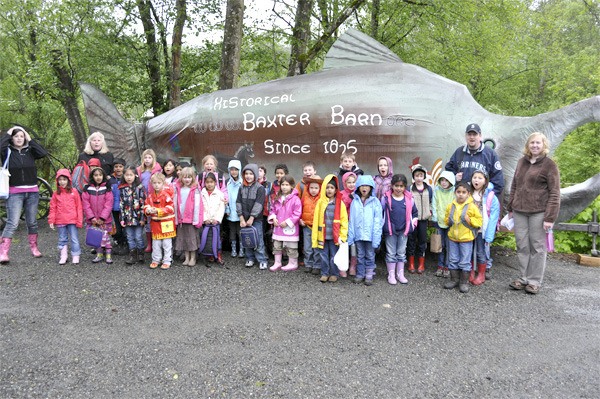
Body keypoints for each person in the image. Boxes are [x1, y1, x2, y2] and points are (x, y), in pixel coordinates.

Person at [507, 132, 560, 295]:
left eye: (538, 143)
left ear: (544, 145)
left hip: (539, 212)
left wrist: (549, 217)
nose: (535, 146)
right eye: (532, 143)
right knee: (522, 245)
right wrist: (510, 207)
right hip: (519, 211)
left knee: (537, 247)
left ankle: (534, 281)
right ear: (527, 145)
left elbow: (555, 193)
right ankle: (523, 278)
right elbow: (514, 185)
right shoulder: (521, 162)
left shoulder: (549, 165)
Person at [0, 126, 49, 263]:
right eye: (16, 136)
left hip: (32, 192)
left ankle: (34, 248)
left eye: (21, 136)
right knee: (12, 223)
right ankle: (3, 252)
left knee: (32, 222)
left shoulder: (30, 151)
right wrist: (8, 133)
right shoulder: (7, 151)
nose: (19, 138)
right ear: (12, 138)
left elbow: (43, 153)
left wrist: (29, 138)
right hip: (15, 192)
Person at [445, 123, 504, 196]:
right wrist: (454, 177)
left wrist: (488, 197)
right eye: (469, 134)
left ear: (480, 135)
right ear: (465, 136)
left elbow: (498, 181)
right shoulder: (459, 152)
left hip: (480, 199)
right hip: (461, 197)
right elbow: (448, 171)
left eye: (474, 134)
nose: (472, 137)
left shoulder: (490, 154)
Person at [443, 181, 482, 293]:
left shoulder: (472, 207)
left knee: (465, 261)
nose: (461, 194)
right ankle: (454, 279)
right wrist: (447, 221)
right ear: (455, 193)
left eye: (463, 192)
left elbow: (479, 221)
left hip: (466, 239)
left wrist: (471, 221)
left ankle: (464, 282)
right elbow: (446, 218)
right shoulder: (451, 206)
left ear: (468, 194)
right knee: (453, 259)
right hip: (453, 238)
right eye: (458, 192)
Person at [382, 174, 418, 285]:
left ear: (405, 187)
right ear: (392, 186)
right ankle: (391, 274)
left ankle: (400, 274)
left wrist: (413, 224)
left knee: (401, 253)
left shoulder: (409, 199)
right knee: (391, 253)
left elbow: (415, 213)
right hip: (390, 230)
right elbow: (380, 212)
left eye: (401, 186)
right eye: (396, 186)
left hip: (404, 230)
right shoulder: (386, 198)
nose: (399, 188)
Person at [312, 174, 348, 283]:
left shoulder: (340, 204)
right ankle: (324, 273)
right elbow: (316, 220)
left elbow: (344, 221)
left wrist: (342, 235)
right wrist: (315, 237)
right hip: (323, 235)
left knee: (334, 256)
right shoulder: (320, 203)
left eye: (332, 188)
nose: (329, 190)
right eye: (327, 187)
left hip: (334, 237)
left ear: (336, 189)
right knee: (323, 255)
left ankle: (334, 273)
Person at [348, 175, 383, 286]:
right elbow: (352, 219)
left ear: (371, 188)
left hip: (370, 235)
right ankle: (360, 274)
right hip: (358, 235)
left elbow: (378, 221)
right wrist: (351, 235)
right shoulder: (355, 201)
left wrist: (376, 237)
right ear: (358, 187)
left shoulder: (375, 202)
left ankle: (369, 274)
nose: (364, 188)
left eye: (367, 186)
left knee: (370, 255)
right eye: (362, 185)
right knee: (360, 255)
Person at [470, 170, 500, 285]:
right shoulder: (468, 192)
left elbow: (493, 216)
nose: (476, 180)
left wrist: (489, 234)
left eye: (480, 178)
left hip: (482, 229)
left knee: (480, 252)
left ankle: (481, 274)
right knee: (469, 251)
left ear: (485, 181)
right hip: (469, 228)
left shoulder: (490, 196)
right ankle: (471, 271)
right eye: (475, 177)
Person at [236, 164, 269, 269]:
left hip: (256, 219)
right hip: (244, 219)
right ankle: (249, 258)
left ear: (255, 175)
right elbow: (238, 202)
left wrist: (252, 218)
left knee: (258, 238)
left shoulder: (260, 188)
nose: (248, 176)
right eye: (246, 173)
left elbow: (259, 204)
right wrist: (241, 217)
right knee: (247, 239)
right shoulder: (242, 187)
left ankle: (262, 259)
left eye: (251, 174)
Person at [48, 169, 83, 265]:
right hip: (60, 220)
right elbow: (53, 208)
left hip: (72, 220)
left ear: (68, 180)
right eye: (60, 180)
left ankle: (76, 255)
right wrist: (51, 220)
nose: (62, 182)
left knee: (74, 238)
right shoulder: (56, 194)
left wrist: (79, 220)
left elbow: (79, 207)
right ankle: (63, 255)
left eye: (64, 179)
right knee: (62, 238)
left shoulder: (74, 191)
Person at [268, 175, 302, 272]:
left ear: (292, 186)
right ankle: (277, 262)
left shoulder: (295, 199)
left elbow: (297, 213)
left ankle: (292, 263)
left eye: (287, 184)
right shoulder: (277, 198)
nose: (284, 187)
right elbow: (272, 210)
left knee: (291, 246)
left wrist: (288, 222)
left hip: (290, 227)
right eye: (282, 184)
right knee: (277, 245)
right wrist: (273, 218)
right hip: (278, 226)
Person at [82, 164, 114, 264]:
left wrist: (102, 218)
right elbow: (86, 205)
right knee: (96, 238)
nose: (98, 177)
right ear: (92, 177)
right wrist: (92, 217)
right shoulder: (87, 189)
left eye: (100, 175)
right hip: (93, 220)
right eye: (95, 175)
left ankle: (108, 254)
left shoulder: (107, 189)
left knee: (106, 237)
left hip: (104, 220)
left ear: (103, 176)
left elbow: (108, 205)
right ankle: (99, 254)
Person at [143, 172, 176, 269]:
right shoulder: (150, 196)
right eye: (154, 183)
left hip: (166, 223)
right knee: (156, 243)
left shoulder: (166, 195)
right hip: (155, 224)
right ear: (151, 184)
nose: (156, 185)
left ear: (163, 183)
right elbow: (146, 205)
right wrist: (148, 210)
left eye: (159, 183)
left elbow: (170, 208)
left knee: (166, 243)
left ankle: (167, 260)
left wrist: (158, 210)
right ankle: (156, 260)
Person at [407, 163, 433, 274]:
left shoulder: (429, 189)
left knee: (422, 240)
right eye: (416, 175)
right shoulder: (410, 188)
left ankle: (421, 263)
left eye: (421, 175)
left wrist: (430, 212)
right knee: (411, 240)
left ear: (424, 177)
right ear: (413, 177)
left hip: (424, 219)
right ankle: (411, 263)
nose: (419, 178)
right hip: (413, 219)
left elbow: (431, 201)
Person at [119, 166, 147, 264]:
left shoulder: (140, 188)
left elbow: (144, 204)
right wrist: (121, 218)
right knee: (130, 237)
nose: (129, 177)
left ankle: (141, 253)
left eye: (131, 175)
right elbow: (121, 204)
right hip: (127, 218)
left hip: (138, 218)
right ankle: (132, 254)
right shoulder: (122, 188)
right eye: (127, 175)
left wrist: (143, 218)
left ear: (135, 175)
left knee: (138, 236)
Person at [431, 171, 456, 278]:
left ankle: (447, 266)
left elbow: (456, 205)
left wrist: (453, 219)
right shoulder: (437, 190)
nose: (444, 182)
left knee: (449, 245)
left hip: (450, 222)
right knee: (440, 245)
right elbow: (434, 203)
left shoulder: (454, 191)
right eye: (442, 180)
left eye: (446, 180)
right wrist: (435, 218)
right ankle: (440, 266)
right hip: (439, 221)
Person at [137, 149, 162, 253]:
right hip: (142, 197)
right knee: (146, 220)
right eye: (145, 158)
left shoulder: (157, 170)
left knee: (155, 219)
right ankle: (149, 244)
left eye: (149, 157)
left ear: (153, 159)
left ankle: (157, 242)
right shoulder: (139, 170)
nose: (147, 160)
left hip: (154, 197)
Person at [299, 176, 322, 275]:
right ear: (308, 188)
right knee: (307, 247)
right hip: (306, 226)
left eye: (316, 188)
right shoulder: (304, 198)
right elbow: (299, 209)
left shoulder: (321, 199)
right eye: (311, 188)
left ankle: (317, 265)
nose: (313, 190)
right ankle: (308, 263)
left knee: (316, 248)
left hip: (317, 227)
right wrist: (300, 219)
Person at [201, 172, 225, 265]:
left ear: (215, 182)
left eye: (211, 182)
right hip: (206, 221)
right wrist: (205, 219)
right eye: (207, 182)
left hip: (216, 221)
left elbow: (221, 208)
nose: (209, 184)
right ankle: (210, 254)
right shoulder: (202, 193)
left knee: (217, 238)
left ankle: (218, 254)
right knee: (207, 238)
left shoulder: (219, 194)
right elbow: (201, 208)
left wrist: (217, 219)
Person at [225, 160, 243, 258]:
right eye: (232, 169)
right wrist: (227, 208)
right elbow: (225, 196)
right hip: (231, 212)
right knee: (232, 231)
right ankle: (233, 249)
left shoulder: (242, 183)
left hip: (240, 214)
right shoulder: (227, 183)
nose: (234, 172)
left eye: (236, 169)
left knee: (240, 232)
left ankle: (241, 249)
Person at [110, 158, 127, 255]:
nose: (118, 168)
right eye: (116, 167)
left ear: (123, 168)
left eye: (120, 166)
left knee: (125, 226)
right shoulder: (110, 180)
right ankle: (119, 243)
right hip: (114, 208)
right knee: (117, 227)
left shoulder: (126, 178)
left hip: (125, 208)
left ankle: (126, 244)